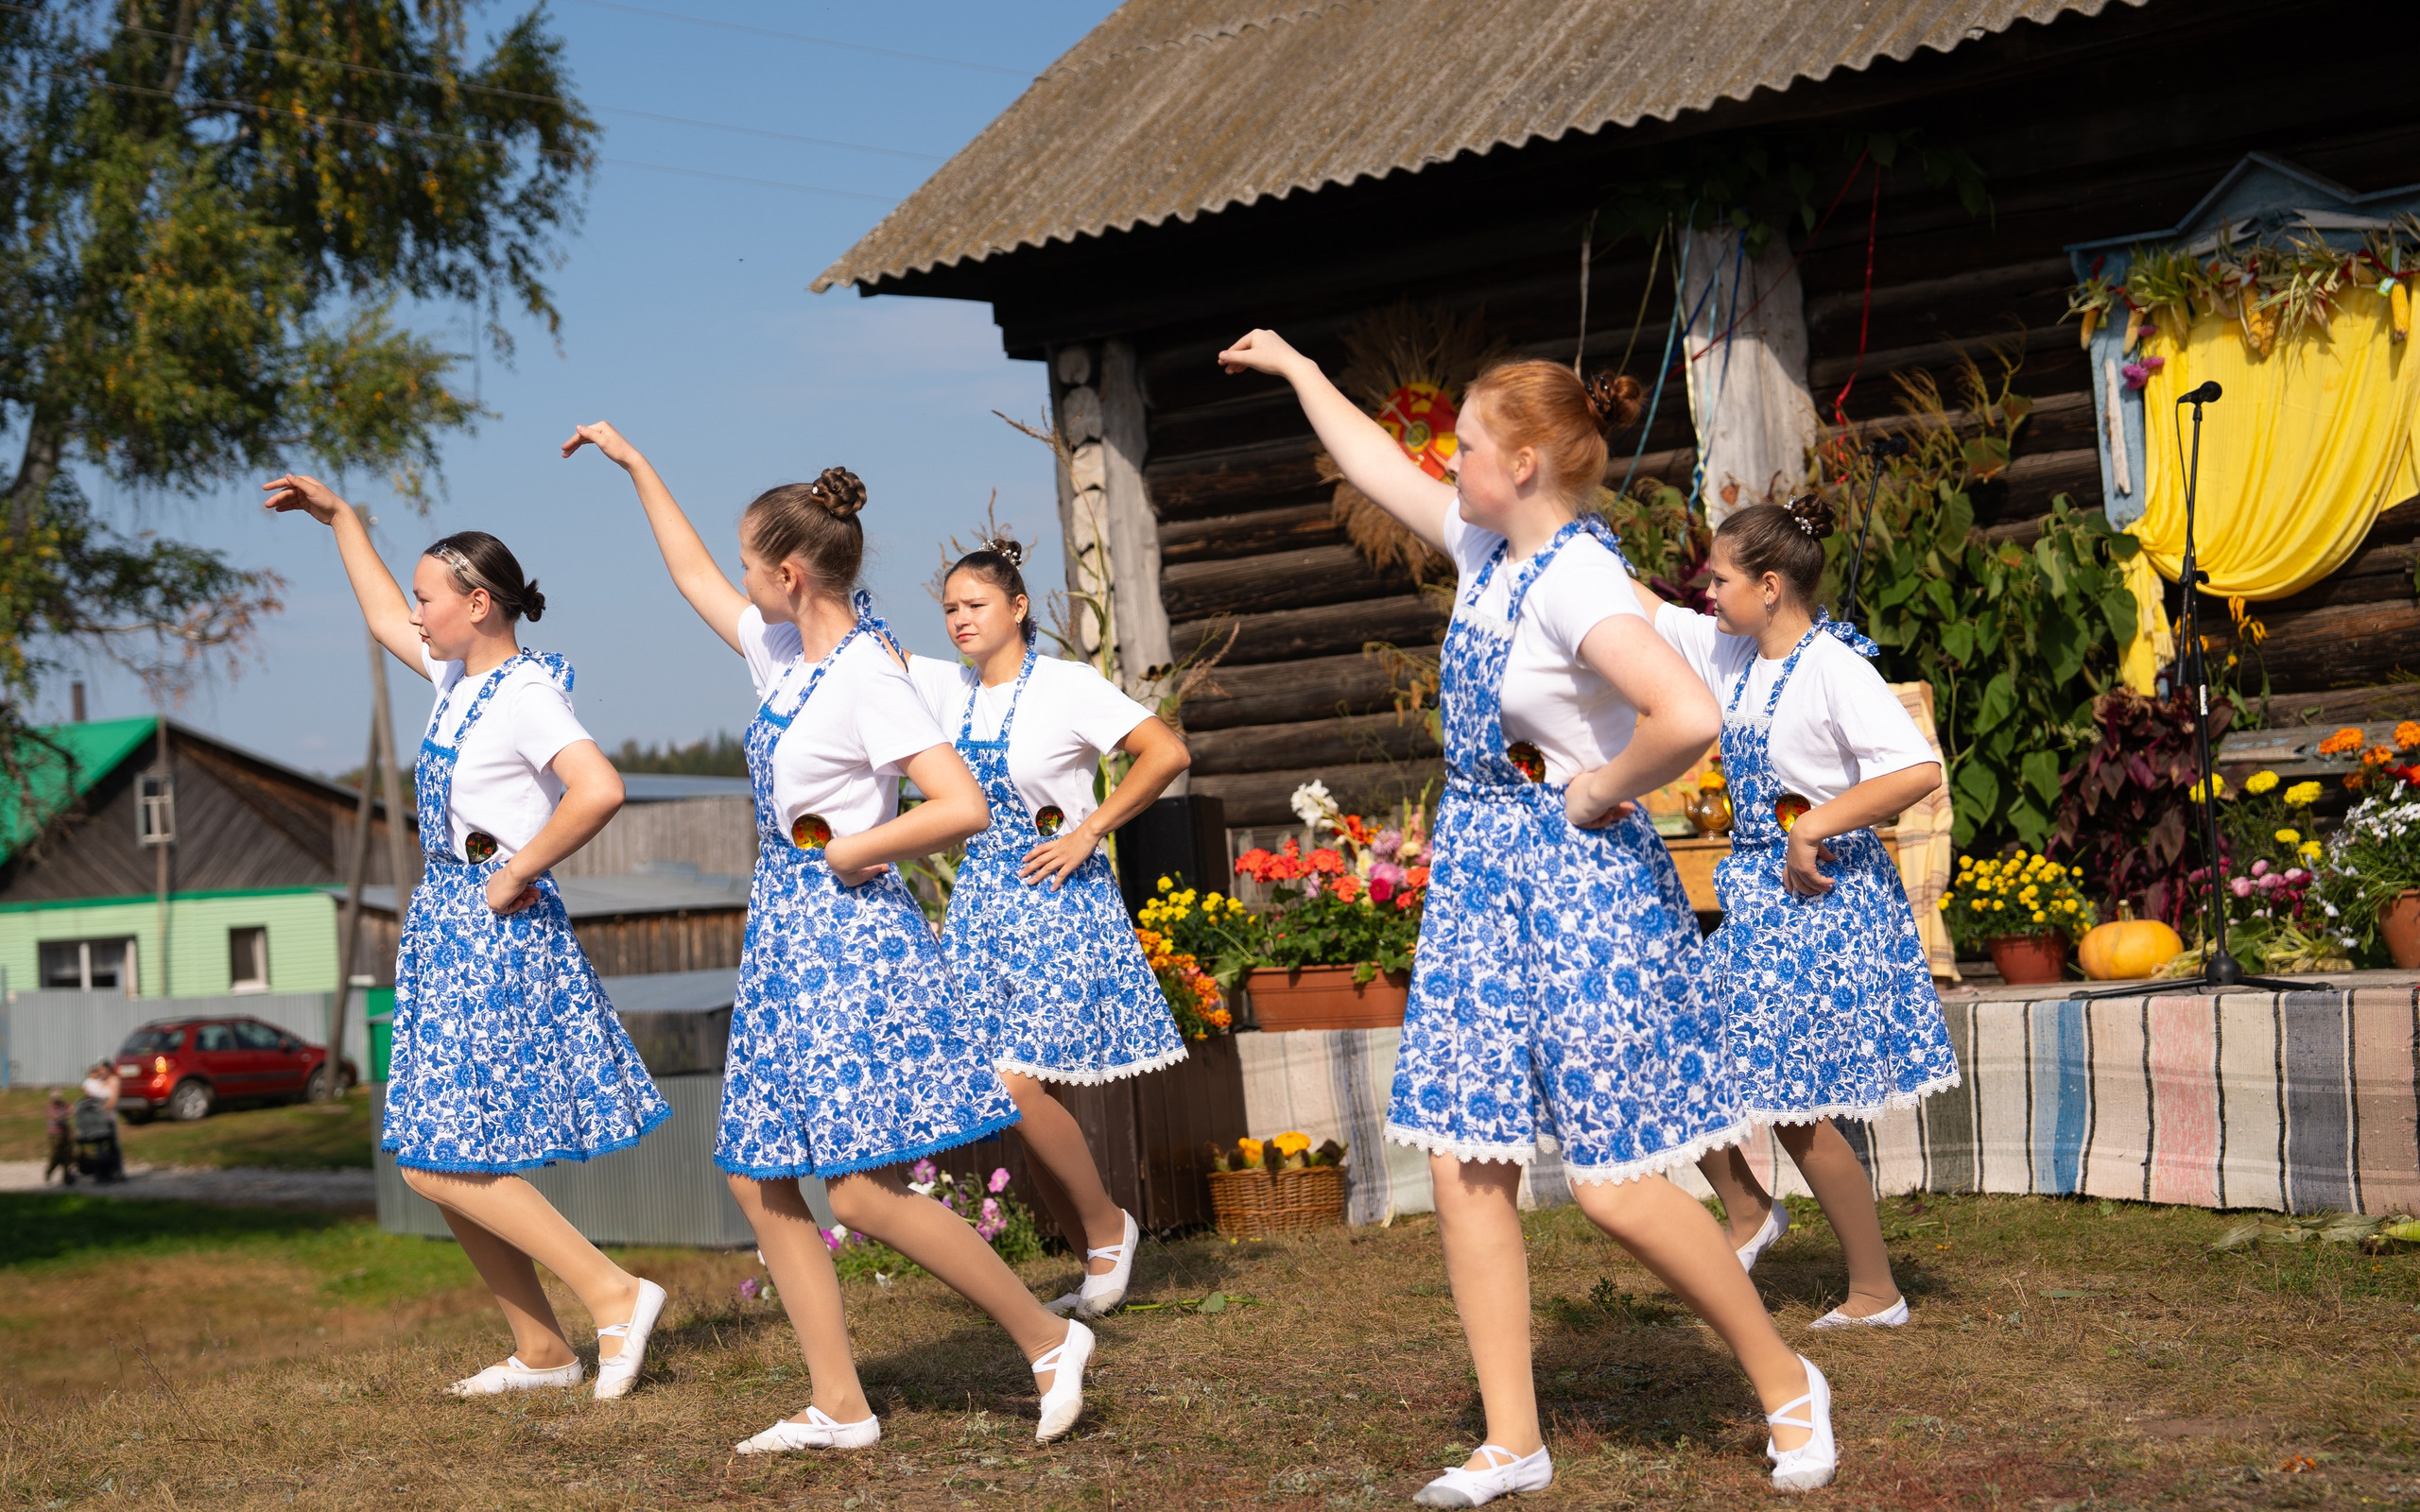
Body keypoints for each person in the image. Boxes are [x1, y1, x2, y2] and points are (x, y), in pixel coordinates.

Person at [1218, 332, 1840, 1504]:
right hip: (1479, 886)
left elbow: (1686, 711)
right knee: (1467, 1161)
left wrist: (1598, 791)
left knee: (1613, 1181)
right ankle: (1514, 1438)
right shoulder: (1490, 546)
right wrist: (1302, 373)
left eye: (1462, 447)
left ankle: (1784, 1377)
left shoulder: (1576, 580)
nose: (1444, 464)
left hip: (1581, 892)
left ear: (1521, 463)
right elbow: (1374, 469)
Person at [568, 422, 1094, 1452]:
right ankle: (839, 1404)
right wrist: (638, 466)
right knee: (757, 1170)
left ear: (793, 571)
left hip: (852, 942)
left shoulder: (865, 672)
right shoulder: (782, 657)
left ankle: (1044, 1339)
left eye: (751, 563)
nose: (738, 579)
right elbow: (687, 573)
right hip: (785, 939)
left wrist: (859, 843)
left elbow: (958, 803)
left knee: (857, 1185)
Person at [264, 474, 671, 1401]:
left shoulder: (526, 693)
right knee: (449, 1147)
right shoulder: (460, 678)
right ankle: (540, 1348)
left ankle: (615, 1292)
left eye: (428, 598)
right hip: (449, 925)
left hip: (492, 928)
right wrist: (342, 521)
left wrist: (520, 870)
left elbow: (598, 787)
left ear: (477, 604)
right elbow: (376, 611)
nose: (414, 612)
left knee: (435, 1156)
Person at [1630, 495, 1961, 1328]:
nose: (1710, 593)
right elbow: (1649, 610)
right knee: (1678, 1049)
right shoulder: (1731, 650)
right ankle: (1750, 1212)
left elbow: (1917, 770)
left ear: (1770, 586)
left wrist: (1815, 821)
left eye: (1723, 580)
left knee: (1800, 1108)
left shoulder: (1834, 667)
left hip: (1823, 905)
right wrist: (1555, 536)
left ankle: (1876, 1292)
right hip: (1756, 898)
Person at [908, 538, 1192, 1318]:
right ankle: (1094, 1252)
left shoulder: (1067, 685)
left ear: (1018, 606)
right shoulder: (946, 690)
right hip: (980, 910)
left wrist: (1090, 828)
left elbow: (1165, 751)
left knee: (1015, 1081)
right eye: (950, 609)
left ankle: (1108, 1229)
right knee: (1000, 1091)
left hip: (1056, 901)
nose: (960, 620)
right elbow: (858, 646)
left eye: (976, 605)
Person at [44, 1090, 77, 1185]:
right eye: (55, 1098)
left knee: (67, 1155)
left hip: (65, 1133)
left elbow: (72, 1109)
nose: (57, 1100)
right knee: (56, 1155)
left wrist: (69, 1111)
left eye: (58, 1098)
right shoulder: (50, 1107)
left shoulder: (64, 1105)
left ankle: (67, 1176)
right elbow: (54, 1117)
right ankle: (49, 1172)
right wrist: (65, 1114)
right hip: (55, 1135)